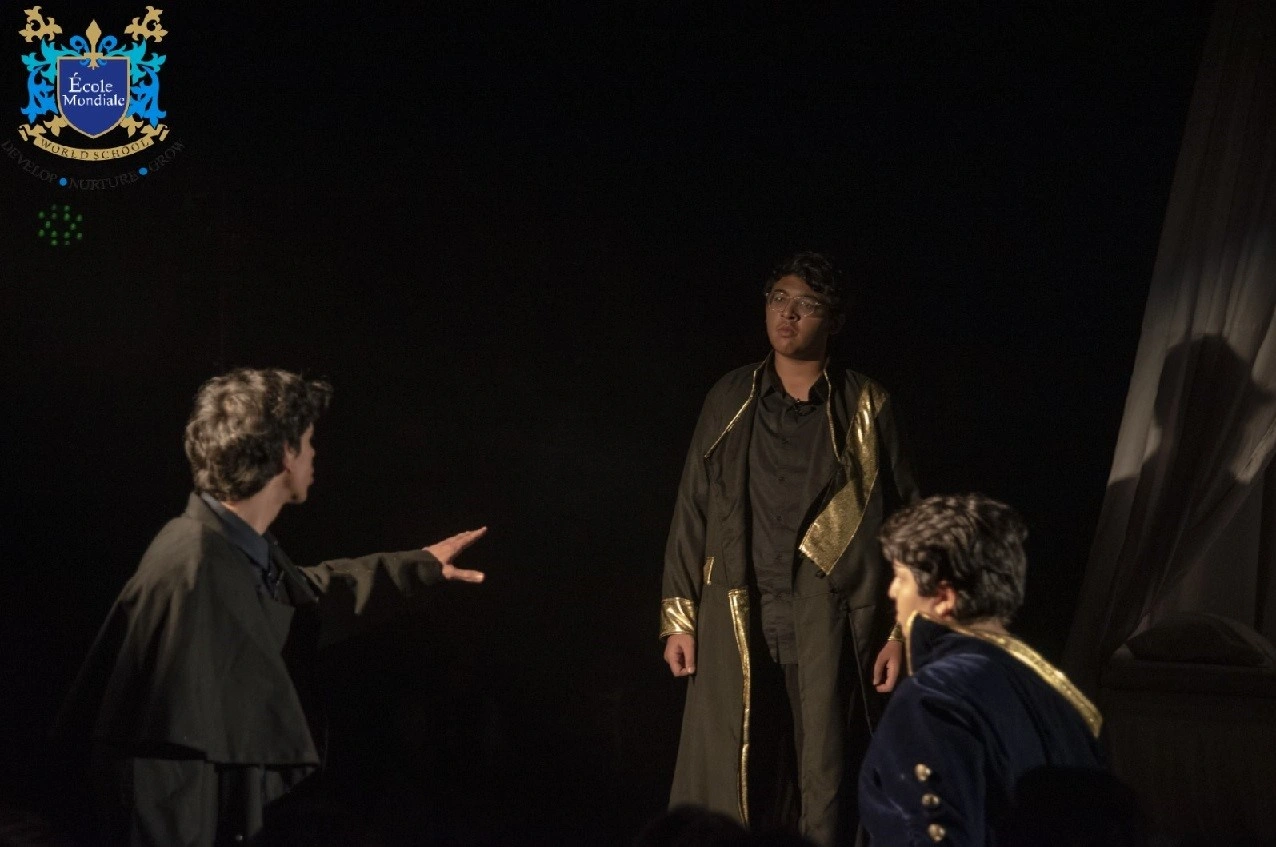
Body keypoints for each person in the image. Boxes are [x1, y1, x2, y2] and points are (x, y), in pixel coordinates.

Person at [54, 368, 489, 846]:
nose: (314, 453)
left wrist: (421, 565)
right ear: (285, 453)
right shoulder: (193, 567)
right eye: (308, 441)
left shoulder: (229, 548)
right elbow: (160, 762)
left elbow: (305, 595)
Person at [660, 252, 920, 846]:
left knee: (826, 773)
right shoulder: (729, 397)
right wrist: (679, 616)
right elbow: (691, 507)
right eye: (779, 298)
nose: (788, 314)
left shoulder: (867, 405)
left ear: (834, 319)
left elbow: (909, 523)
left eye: (807, 304)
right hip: (736, 613)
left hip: (830, 619)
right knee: (734, 767)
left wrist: (899, 631)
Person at [858, 494, 1107, 847]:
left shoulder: (933, 697)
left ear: (944, 597)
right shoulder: (1058, 695)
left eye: (900, 577)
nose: (891, 591)